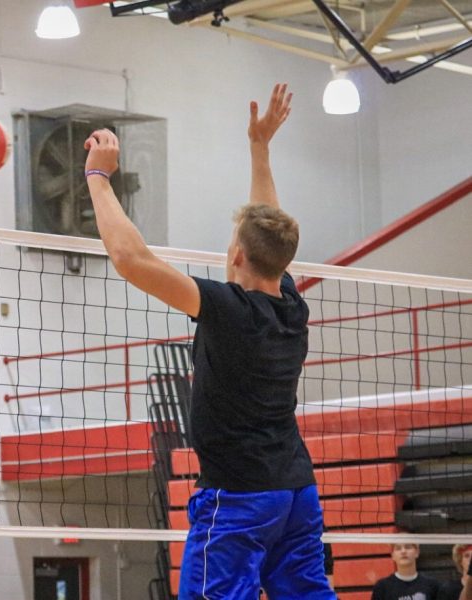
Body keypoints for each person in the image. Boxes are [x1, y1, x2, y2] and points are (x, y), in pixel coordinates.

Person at [84, 83, 334, 599]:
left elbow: (132, 261)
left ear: (238, 257)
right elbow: (270, 234)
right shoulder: (292, 306)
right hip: (295, 491)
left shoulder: (228, 308)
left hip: (239, 496)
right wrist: (260, 149)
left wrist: (98, 178)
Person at [371, 543, 441, 600]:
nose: (403, 551)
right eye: (398, 548)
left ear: (417, 552)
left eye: (408, 547)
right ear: (393, 555)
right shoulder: (382, 587)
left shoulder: (433, 585)